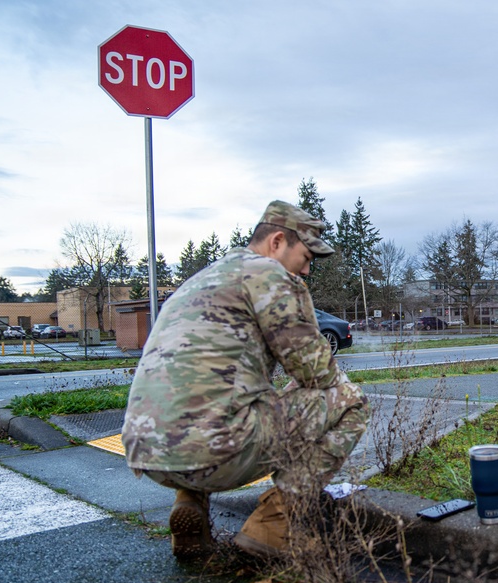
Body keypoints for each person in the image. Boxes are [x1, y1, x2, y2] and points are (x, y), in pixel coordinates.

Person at [122, 200, 371, 560]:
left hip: (148, 450)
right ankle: (272, 526)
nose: (307, 270)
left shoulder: (204, 278)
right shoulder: (271, 276)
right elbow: (315, 371)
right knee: (350, 401)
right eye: (305, 256)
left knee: (220, 401)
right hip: (215, 453)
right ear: (277, 242)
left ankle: (189, 503)